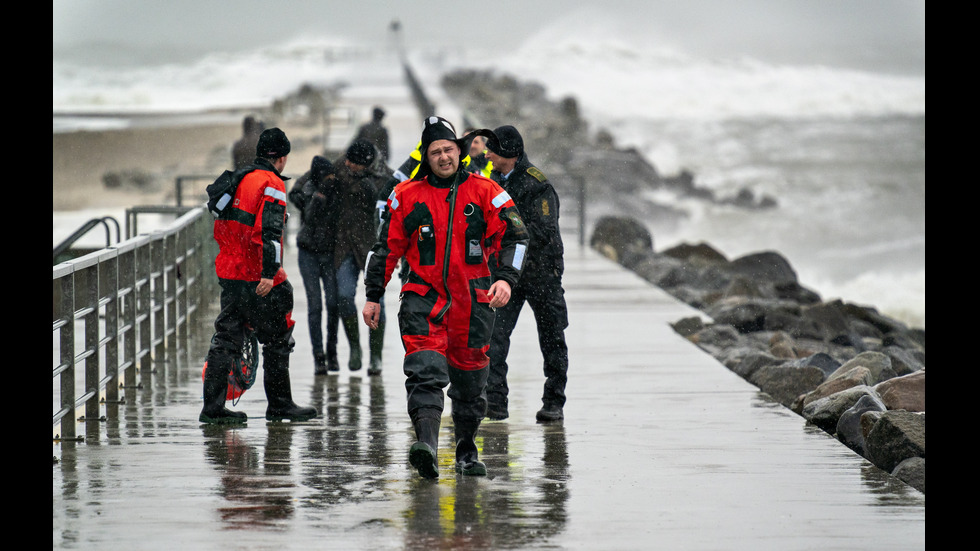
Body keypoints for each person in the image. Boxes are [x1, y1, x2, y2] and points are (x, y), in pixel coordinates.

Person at [362, 116, 529, 479]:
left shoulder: (487, 191)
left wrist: (507, 280)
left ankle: (467, 449)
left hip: (474, 303)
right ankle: (427, 447)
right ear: (426, 156)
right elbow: (383, 250)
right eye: (435, 152)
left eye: (448, 150)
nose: (443, 157)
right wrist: (374, 295)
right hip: (424, 299)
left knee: (471, 383)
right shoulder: (405, 196)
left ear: (460, 151)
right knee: (425, 373)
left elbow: (517, 238)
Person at [201, 127, 318, 424]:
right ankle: (279, 405)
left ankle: (212, 408)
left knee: (226, 338)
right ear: (282, 158)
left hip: (230, 271)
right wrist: (269, 273)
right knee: (278, 338)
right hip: (257, 276)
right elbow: (270, 233)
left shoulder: (239, 178)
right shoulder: (272, 184)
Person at [484, 125, 569, 423]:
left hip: (542, 273)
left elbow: (544, 231)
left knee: (552, 338)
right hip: (508, 275)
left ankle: (553, 402)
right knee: (494, 337)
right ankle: (494, 403)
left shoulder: (538, 185)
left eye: (493, 149)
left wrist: (508, 232)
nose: (488, 153)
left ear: (510, 153)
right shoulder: (491, 180)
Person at [322, 139, 383, 373]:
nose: (348, 164)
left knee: (376, 302)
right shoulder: (338, 168)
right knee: (344, 296)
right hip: (344, 244)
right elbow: (306, 185)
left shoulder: (383, 176)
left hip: (372, 247)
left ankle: (375, 357)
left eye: (353, 163)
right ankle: (355, 348)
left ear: (364, 164)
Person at [289, 155, 341, 375]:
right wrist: (318, 196)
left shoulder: (338, 190)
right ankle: (318, 355)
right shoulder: (308, 190)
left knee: (332, 304)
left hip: (330, 252)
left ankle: (332, 351)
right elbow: (308, 215)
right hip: (308, 251)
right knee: (315, 306)